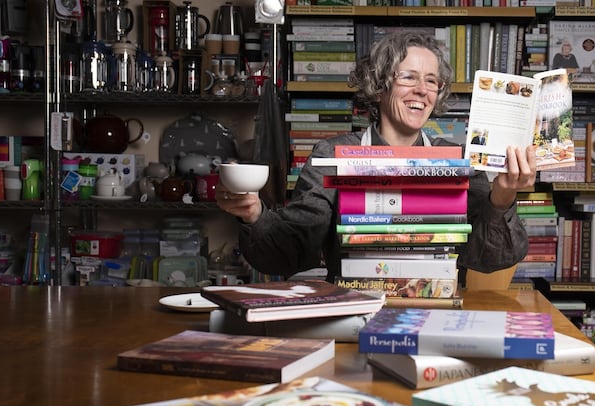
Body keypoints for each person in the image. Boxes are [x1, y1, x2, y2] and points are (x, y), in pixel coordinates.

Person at [216, 30, 536, 282]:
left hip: (438, 310)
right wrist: (254, 214)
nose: (422, 91)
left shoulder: (459, 160)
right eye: (408, 77)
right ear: (380, 84)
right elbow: (290, 253)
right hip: (354, 310)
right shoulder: (333, 156)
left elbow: (491, 258)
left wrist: (503, 196)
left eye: (431, 81)